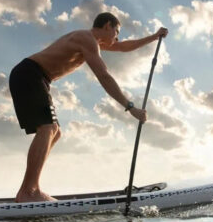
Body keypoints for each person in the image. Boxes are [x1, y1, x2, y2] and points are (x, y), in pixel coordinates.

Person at [9, 12, 169, 203]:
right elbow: (104, 76)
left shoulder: (92, 42)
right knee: (48, 128)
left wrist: (154, 36)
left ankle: (28, 190)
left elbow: (124, 46)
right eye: (116, 31)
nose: (117, 37)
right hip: (30, 74)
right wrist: (131, 107)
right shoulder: (86, 39)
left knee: (55, 132)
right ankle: (29, 191)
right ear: (107, 25)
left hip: (38, 78)